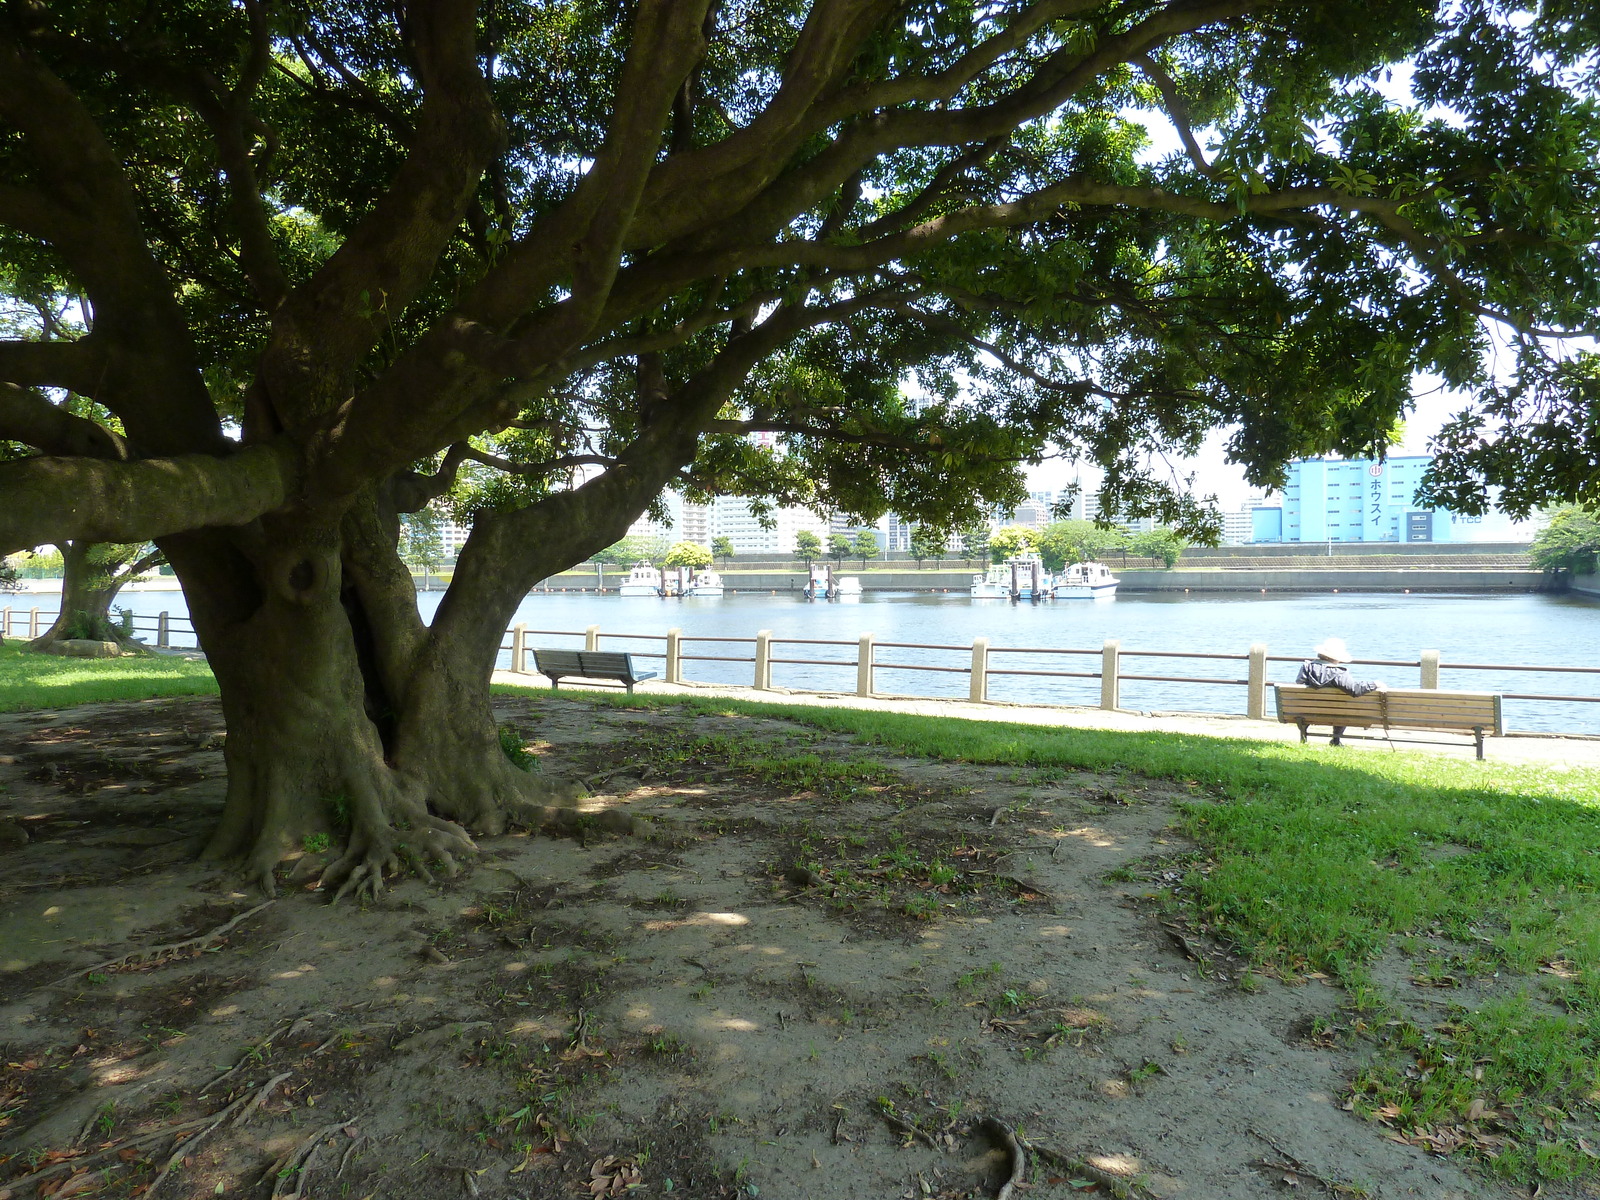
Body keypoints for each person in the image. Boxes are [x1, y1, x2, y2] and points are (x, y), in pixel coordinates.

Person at [1296, 637, 1386, 747]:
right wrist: (1375, 684)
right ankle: (1335, 740)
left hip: (1307, 712)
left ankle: (1304, 737)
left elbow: (1299, 684)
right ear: (1336, 657)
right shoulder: (1338, 673)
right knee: (1343, 706)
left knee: (1320, 703)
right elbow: (1355, 690)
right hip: (1336, 713)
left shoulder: (1306, 668)